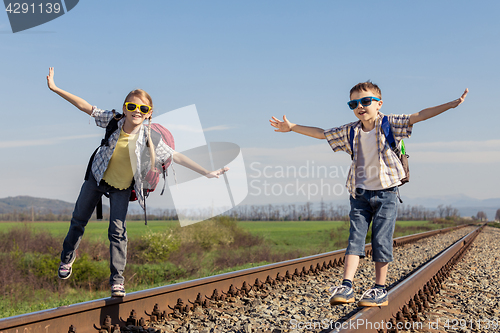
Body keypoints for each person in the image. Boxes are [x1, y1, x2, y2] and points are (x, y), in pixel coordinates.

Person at [270, 81, 468, 307]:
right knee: (355, 238)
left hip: (386, 193)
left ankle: (379, 289)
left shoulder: (389, 123)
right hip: (359, 194)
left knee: (381, 240)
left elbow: (420, 115)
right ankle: (346, 286)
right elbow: (322, 133)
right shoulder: (351, 130)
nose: (360, 106)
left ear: (379, 103)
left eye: (365, 101)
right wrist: (293, 126)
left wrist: (452, 105)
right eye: (354, 103)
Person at [47, 67, 228, 297]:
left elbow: (175, 155)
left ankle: (117, 281)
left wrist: (207, 172)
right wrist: (55, 88)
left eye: (143, 108)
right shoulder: (113, 120)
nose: (136, 111)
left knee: (118, 231)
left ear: (149, 113)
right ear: (124, 108)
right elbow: (86, 107)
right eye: (132, 106)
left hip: (122, 186)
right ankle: (67, 257)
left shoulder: (150, 138)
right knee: (79, 219)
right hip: (97, 177)